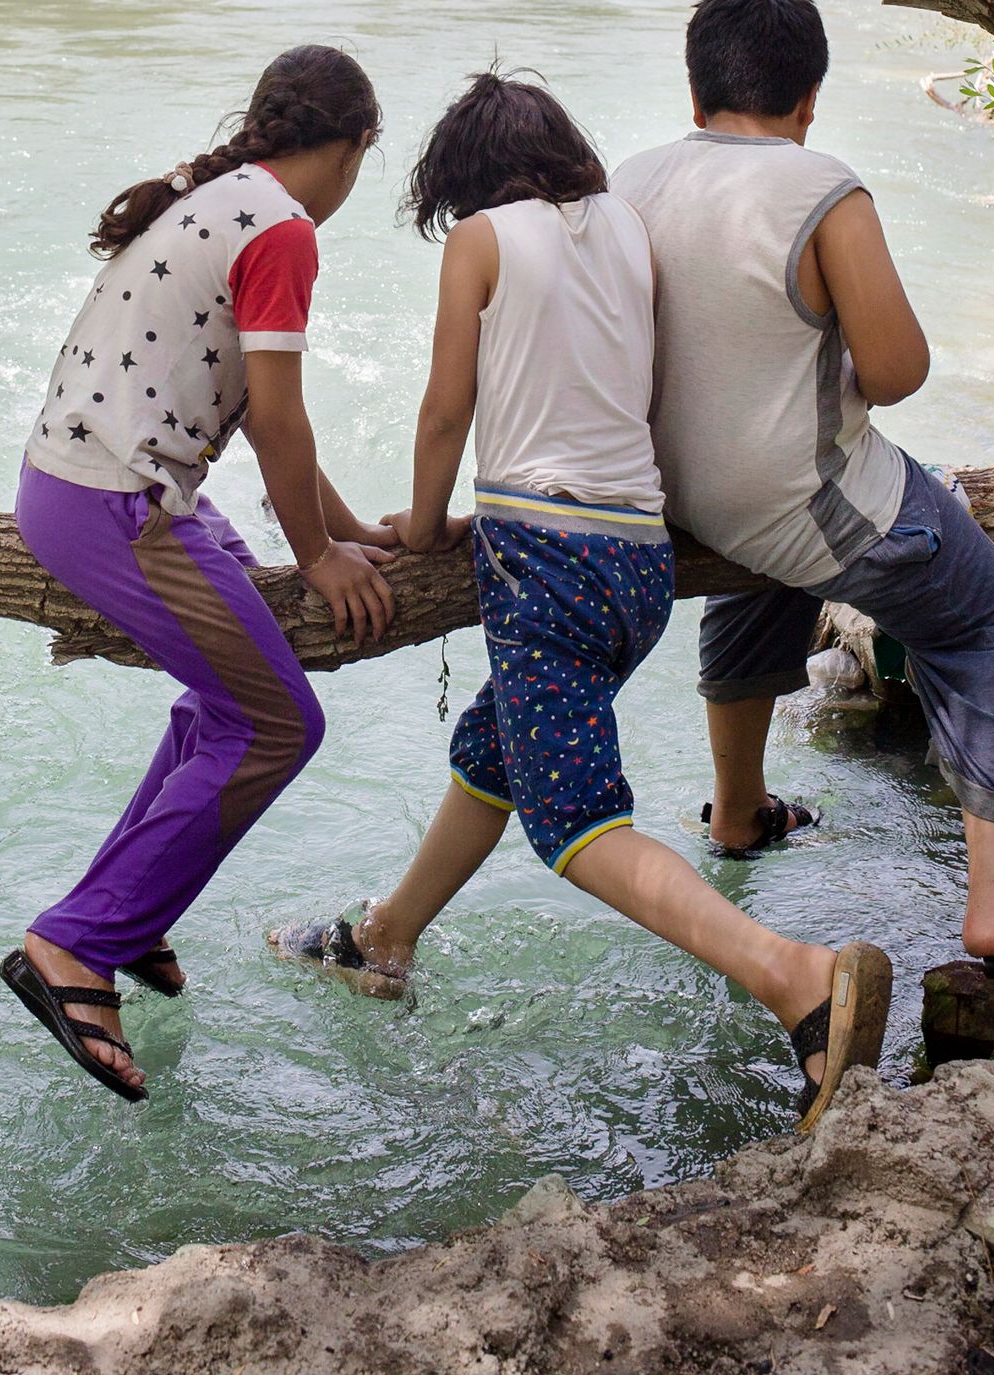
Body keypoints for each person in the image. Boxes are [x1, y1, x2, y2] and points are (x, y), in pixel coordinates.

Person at [273, 71, 892, 1131]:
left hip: (541, 558)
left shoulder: (482, 237)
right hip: (636, 558)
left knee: (573, 819)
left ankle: (795, 979)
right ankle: (384, 935)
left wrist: (421, 532)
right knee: (500, 747)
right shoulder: (623, 227)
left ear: (461, 179)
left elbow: (441, 412)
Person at [613, 0, 994, 977]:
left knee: (765, 555)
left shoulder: (627, 180)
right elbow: (899, 369)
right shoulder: (823, 186)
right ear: (809, 97)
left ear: (693, 95)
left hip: (678, 499)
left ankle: (737, 812)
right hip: (797, 501)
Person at [1, 44, 397, 1101]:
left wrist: (353, 528)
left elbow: (259, 416)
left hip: (86, 483)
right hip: (113, 505)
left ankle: (130, 913)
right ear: (358, 144)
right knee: (277, 723)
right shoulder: (282, 229)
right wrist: (317, 552)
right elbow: (274, 412)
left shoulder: (223, 192)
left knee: (215, 703)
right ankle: (75, 943)